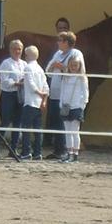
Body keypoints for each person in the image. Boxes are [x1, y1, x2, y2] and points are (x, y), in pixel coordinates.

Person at [54, 31, 89, 163]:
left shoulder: (81, 78)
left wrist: (82, 104)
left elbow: (85, 92)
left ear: (79, 66)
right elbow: (63, 92)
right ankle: (68, 152)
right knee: (67, 130)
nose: (74, 67)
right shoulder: (66, 78)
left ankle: (75, 153)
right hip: (66, 105)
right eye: (72, 65)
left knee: (75, 130)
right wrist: (61, 103)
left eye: (76, 65)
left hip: (76, 106)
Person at [0, 38, 25, 157]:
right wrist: (16, 83)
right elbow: (4, 81)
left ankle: (13, 149)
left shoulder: (24, 64)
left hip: (20, 95)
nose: (17, 51)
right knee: (5, 121)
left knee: (18, 123)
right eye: (15, 49)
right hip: (8, 94)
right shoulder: (6, 63)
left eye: (19, 49)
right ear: (10, 50)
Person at [43, 16, 72, 158]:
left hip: (65, 93)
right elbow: (48, 71)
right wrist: (55, 66)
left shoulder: (75, 54)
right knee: (55, 120)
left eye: (61, 40)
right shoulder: (57, 53)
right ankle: (57, 150)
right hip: (54, 93)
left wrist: (62, 67)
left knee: (63, 122)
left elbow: (75, 72)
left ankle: (65, 150)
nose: (58, 41)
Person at [18, 45, 49, 160]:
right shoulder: (40, 69)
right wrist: (44, 98)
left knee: (26, 128)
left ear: (27, 56)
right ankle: (38, 152)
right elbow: (46, 86)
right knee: (38, 129)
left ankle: (26, 151)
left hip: (30, 102)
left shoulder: (28, 68)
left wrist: (39, 92)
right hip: (39, 104)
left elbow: (31, 84)